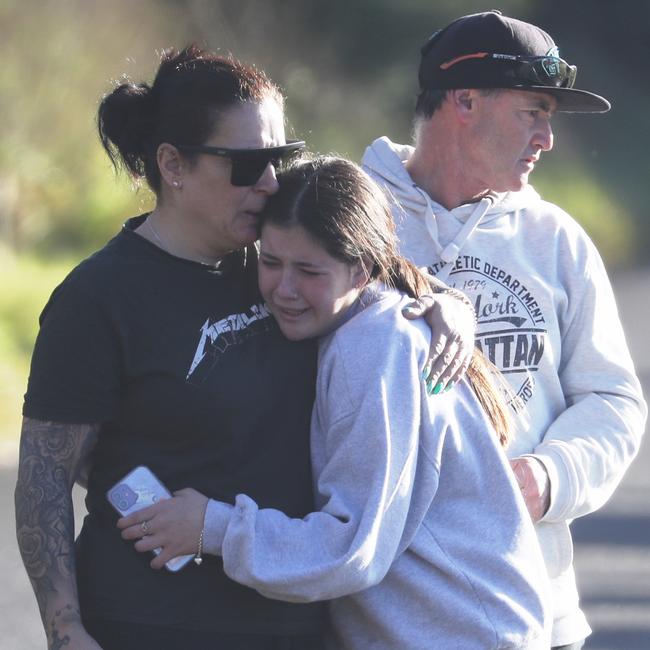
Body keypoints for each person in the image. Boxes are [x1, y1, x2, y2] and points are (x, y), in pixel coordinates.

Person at [14, 46, 474, 649]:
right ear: (172, 164)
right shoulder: (97, 297)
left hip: (295, 623)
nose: (271, 182)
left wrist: (451, 304)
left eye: (281, 158)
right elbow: (46, 478)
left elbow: (370, 267)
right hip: (147, 624)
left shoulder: (283, 262)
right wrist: (65, 627)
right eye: (246, 163)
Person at [118, 155, 552, 650]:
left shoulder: (372, 346)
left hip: (464, 634)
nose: (284, 290)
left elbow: (352, 548)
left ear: (362, 269)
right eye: (271, 261)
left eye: (308, 271)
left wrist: (212, 527)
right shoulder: (373, 322)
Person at [360, 10, 648, 650]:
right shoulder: (350, 226)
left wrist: (548, 476)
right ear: (463, 99)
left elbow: (614, 400)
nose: (547, 137)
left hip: (533, 613)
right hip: (383, 619)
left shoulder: (556, 241)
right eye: (532, 112)